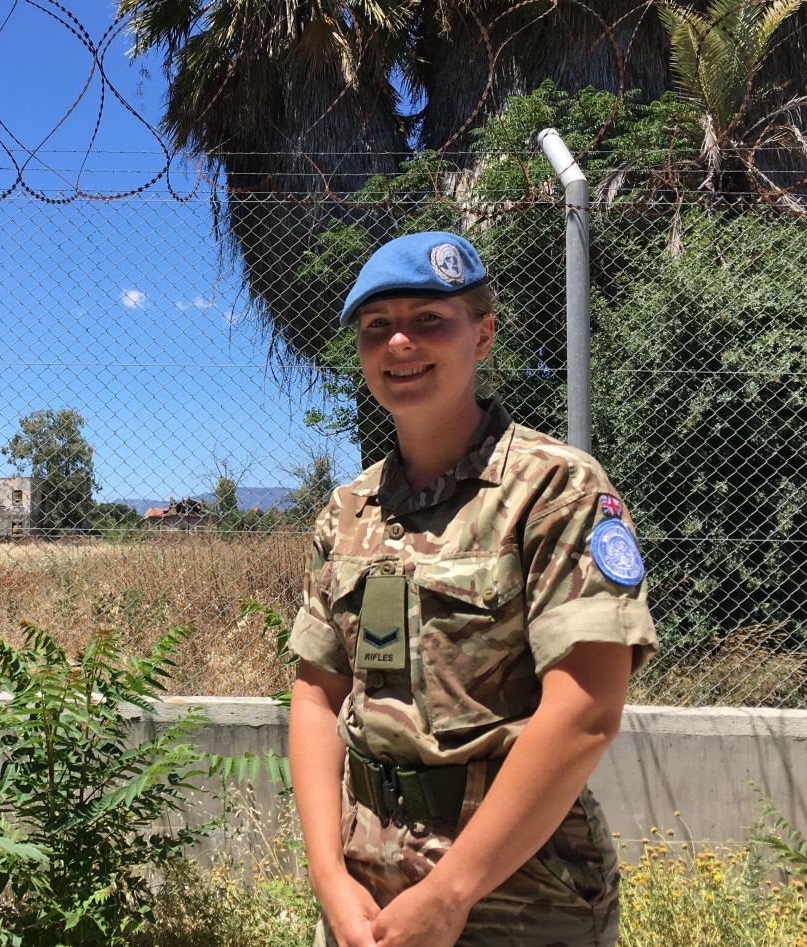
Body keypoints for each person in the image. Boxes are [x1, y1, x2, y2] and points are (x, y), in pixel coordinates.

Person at [287, 231, 658, 947]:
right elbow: (317, 695)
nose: (399, 341)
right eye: (376, 325)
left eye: (429, 319)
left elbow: (586, 709)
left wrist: (449, 892)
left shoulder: (553, 488)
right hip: (365, 881)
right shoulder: (347, 510)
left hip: (518, 888)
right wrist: (329, 877)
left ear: (482, 335)